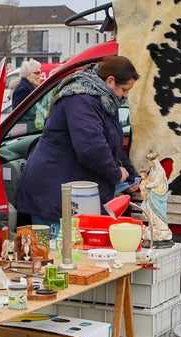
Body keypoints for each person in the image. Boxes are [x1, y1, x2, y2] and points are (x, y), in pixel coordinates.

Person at [14, 55, 141, 236]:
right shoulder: (81, 99)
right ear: (110, 81)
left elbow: (111, 144)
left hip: (67, 192)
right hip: (53, 196)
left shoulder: (102, 99)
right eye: (124, 89)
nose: (125, 96)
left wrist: (130, 177)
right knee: (59, 256)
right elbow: (91, 148)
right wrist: (116, 174)